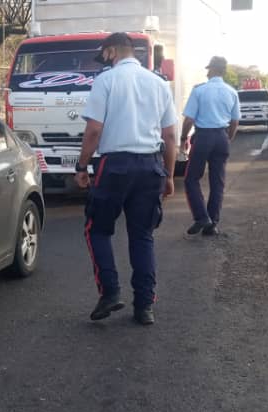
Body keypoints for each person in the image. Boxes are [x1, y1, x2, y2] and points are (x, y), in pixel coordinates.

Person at [75, 32, 179, 326]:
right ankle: (144, 306)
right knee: (142, 236)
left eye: (104, 55)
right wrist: (169, 176)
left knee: (97, 230)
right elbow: (170, 136)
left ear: (111, 52)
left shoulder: (105, 81)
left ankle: (110, 292)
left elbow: (94, 130)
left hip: (114, 166)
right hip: (150, 166)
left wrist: (81, 166)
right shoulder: (158, 84)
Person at [180, 56, 239, 237]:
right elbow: (235, 121)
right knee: (217, 182)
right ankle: (212, 224)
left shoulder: (200, 90)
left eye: (208, 70)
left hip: (204, 137)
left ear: (212, 69)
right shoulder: (232, 92)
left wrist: (183, 138)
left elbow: (189, 119)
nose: (206, 73)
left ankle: (201, 217)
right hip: (222, 137)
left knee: (191, 178)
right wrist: (228, 138)